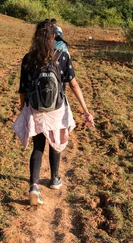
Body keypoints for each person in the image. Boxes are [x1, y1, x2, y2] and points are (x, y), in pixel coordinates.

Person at [13, 19, 94, 205]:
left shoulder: (28, 58)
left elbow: (23, 89)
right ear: (53, 36)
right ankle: (55, 179)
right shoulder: (62, 56)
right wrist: (85, 110)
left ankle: (33, 186)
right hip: (57, 109)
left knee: (38, 146)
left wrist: (23, 110)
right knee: (55, 143)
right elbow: (73, 84)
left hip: (35, 109)